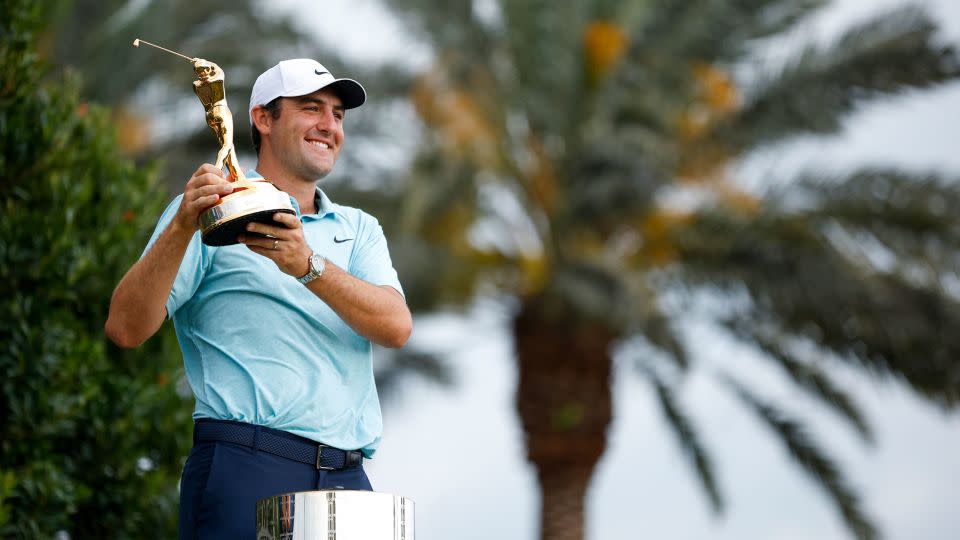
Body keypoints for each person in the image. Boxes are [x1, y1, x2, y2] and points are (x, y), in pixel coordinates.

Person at [105, 58, 412, 540]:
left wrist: (307, 265)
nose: (329, 126)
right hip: (246, 464)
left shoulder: (359, 229)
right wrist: (184, 223)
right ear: (263, 119)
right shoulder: (210, 212)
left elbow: (396, 326)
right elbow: (125, 328)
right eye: (312, 109)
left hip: (349, 479)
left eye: (338, 115)